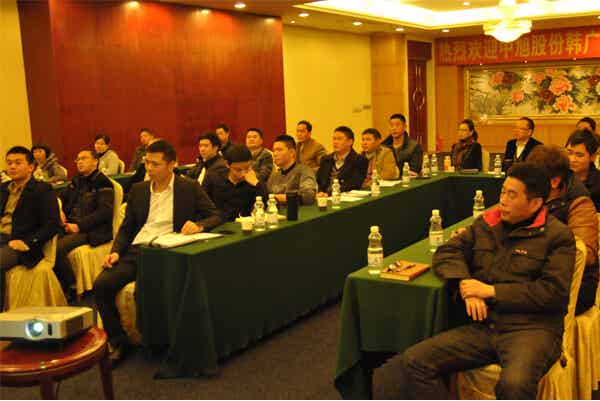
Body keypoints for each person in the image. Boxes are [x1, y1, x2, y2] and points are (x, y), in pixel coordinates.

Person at [401, 163, 575, 399]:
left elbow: (553, 293)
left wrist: (491, 291)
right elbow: (448, 252)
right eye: (502, 192)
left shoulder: (558, 236)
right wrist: (465, 284)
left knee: (514, 386)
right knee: (414, 361)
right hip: (485, 326)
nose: (502, 200)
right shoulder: (488, 223)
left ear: (535, 203)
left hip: (532, 330)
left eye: (512, 195)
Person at [94, 140, 221, 365]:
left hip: (167, 251)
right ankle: (118, 341)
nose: (149, 168)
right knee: (102, 285)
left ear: (172, 164)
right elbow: (127, 228)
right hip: (139, 249)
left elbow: (216, 215)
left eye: (155, 164)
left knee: (150, 288)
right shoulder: (139, 190)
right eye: (147, 163)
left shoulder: (188, 187)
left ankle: (163, 341)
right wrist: (116, 252)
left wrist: (199, 225)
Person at [527, 145, 598, 315]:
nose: (528, 184)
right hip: (534, 274)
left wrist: (531, 252)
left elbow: (584, 254)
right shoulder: (533, 198)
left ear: (554, 182)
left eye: (533, 179)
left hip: (574, 285)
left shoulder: (580, 203)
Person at [1, 146, 61, 310]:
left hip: (18, 242)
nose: (12, 167)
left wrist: (28, 242)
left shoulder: (42, 190)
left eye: (17, 163)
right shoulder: (3, 189)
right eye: (9, 163)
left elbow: (53, 224)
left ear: (31, 167)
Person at [55, 149, 114, 296]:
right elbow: (60, 197)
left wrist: (79, 226)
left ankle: (71, 285)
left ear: (95, 162)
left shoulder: (103, 182)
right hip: (69, 225)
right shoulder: (77, 181)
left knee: (57, 248)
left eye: (84, 158)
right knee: (44, 241)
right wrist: (60, 209)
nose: (80, 162)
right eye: (78, 159)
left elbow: (104, 212)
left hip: (92, 230)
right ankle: (55, 284)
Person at [202, 144, 267, 222]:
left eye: (247, 168)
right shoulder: (213, 177)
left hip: (246, 224)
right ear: (227, 164)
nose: (243, 174)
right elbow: (202, 205)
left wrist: (257, 184)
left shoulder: (254, 179)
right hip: (218, 224)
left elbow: (269, 205)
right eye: (238, 170)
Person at [316, 126, 368, 195]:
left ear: (350, 142)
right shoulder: (326, 159)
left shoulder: (359, 160)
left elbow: (353, 184)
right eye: (334, 139)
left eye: (339, 139)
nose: (335, 142)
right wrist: (320, 192)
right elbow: (319, 181)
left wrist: (329, 194)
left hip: (344, 197)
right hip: (322, 197)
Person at [267, 135, 316, 205]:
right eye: (274, 150)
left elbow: (308, 196)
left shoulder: (304, 171)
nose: (275, 154)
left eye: (279, 150)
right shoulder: (274, 176)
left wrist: (276, 198)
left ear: (292, 152)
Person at [566, 129, 600, 211]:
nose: (572, 159)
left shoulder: (598, 183)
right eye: (569, 153)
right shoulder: (559, 177)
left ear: (592, 157)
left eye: (579, 155)